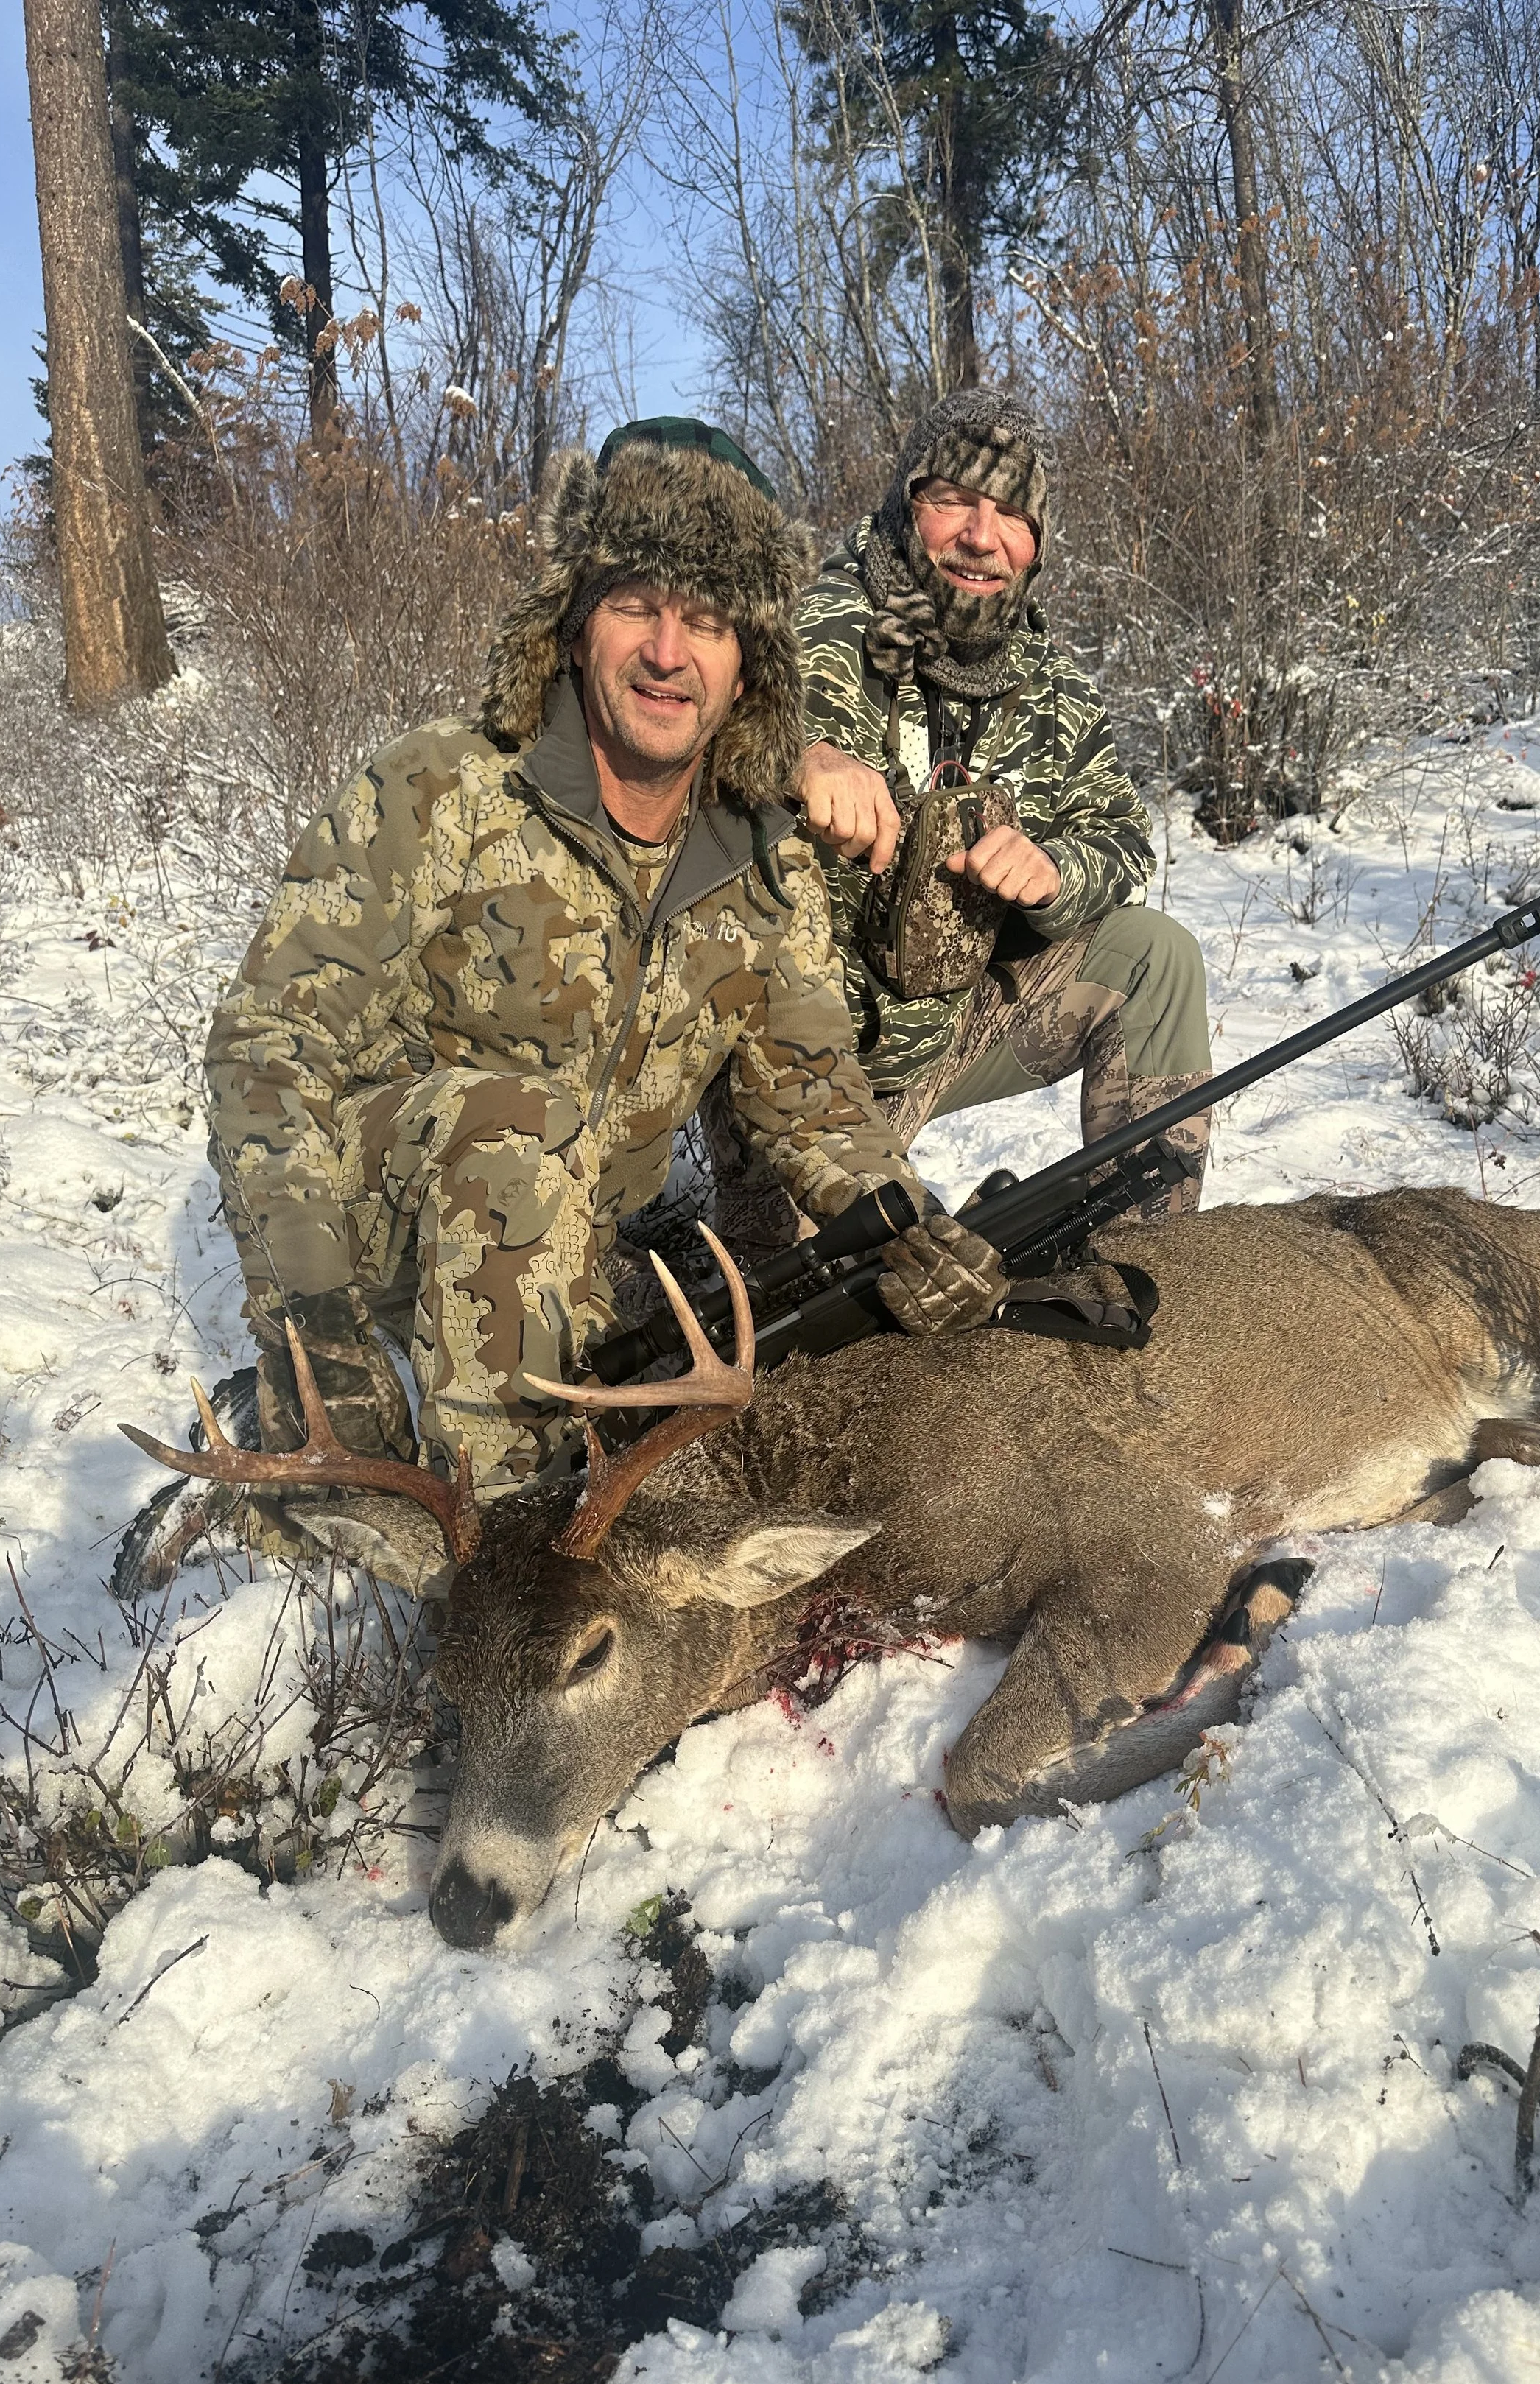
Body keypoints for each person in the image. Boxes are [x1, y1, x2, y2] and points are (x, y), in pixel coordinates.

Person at [119, 419, 1005, 1595]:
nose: (668, 652)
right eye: (638, 604)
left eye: (710, 621)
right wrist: (313, 1315)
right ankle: (495, 1563)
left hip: (575, 1242)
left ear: (753, 665)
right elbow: (268, 1046)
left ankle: (458, 1446)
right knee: (516, 1130)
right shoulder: (441, 788)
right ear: (578, 618)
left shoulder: (764, 859)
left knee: (739, 1338)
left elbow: (812, 1100)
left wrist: (905, 1225)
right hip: (385, 1218)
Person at [789, 386, 1213, 1198]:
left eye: (1011, 515)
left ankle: (1158, 1263)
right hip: (803, 1066)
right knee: (826, 1305)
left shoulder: (1052, 684)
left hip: (955, 1028)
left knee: (1156, 955)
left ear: (1036, 545)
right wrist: (797, 756)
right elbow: (696, 736)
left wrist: (1054, 872)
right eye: (952, 501)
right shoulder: (814, 629)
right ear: (905, 504)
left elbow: (1121, 837)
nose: (981, 537)